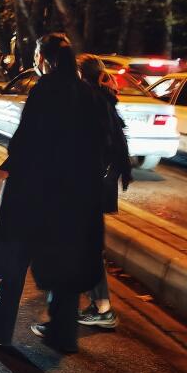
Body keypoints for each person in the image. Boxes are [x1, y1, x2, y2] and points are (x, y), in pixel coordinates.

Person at [0, 33, 109, 354]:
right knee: (66, 260)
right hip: (76, 196)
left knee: (16, 258)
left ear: (44, 59)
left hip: (38, 192)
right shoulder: (87, 94)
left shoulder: (45, 90)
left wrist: (3, 170)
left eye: (35, 56)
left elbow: (29, 140)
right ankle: (62, 333)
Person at [76, 55, 133, 329]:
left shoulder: (91, 102)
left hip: (90, 187)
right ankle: (95, 303)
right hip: (96, 185)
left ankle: (102, 308)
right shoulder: (101, 98)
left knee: (87, 247)